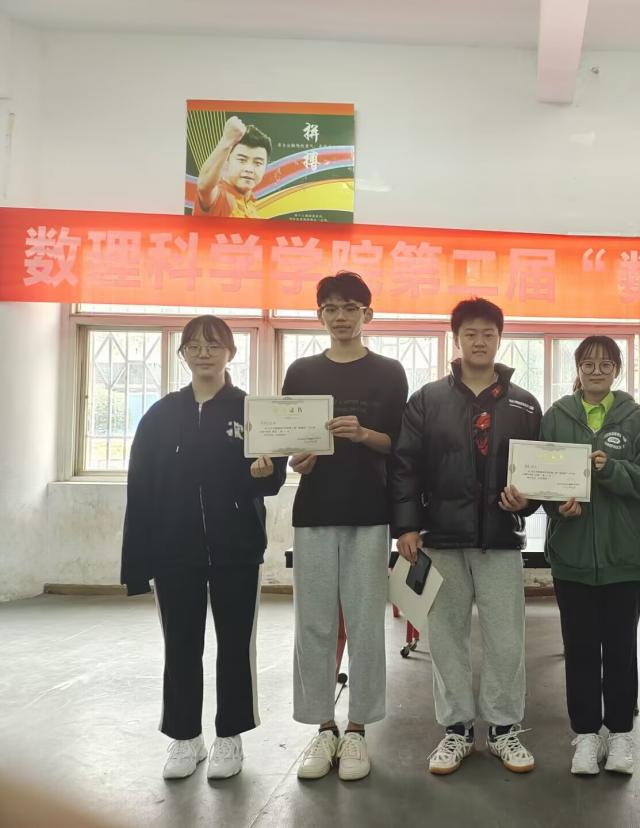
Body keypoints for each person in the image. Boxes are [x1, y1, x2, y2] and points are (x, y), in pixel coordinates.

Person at [121, 315, 287, 780]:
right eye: (193, 346)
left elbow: (273, 476)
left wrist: (263, 475)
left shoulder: (251, 410)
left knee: (235, 645)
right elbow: (141, 487)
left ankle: (230, 736)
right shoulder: (160, 415)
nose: (203, 353)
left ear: (231, 352)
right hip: (174, 552)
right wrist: (138, 560)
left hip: (237, 548)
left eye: (213, 345)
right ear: (182, 355)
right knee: (180, 645)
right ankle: (184, 737)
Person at [391, 297, 542, 776]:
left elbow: (537, 473)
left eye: (488, 334)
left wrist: (526, 502)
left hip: (500, 538)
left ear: (500, 339)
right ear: (456, 339)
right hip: (442, 537)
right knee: (446, 637)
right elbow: (405, 465)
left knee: (506, 638)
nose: (479, 341)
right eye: (470, 334)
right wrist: (406, 526)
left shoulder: (523, 403)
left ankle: (502, 729)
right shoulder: (427, 399)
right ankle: (455, 729)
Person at [283, 271, 408, 782]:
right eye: (331, 308)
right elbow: (289, 443)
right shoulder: (301, 371)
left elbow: (399, 444)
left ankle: (357, 729)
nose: (340, 317)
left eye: (350, 308)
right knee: (313, 623)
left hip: (369, 511)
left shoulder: (389, 372)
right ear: (320, 316)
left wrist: (364, 434)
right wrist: (299, 459)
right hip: (314, 511)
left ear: (367, 314)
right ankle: (323, 727)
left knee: (364, 623)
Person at [538, 337, 640, 776]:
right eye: (588, 364)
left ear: (617, 370)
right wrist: (559, 507)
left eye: (605, 364)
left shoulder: (635, 418)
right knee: (581, 648)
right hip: (571, 555)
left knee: (621, 648)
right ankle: (586, 734)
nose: (596, 371)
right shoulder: (556, 417)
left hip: (624, 555)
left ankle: (621, 733)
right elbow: (541, 478)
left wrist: (612, 469)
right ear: (577, 368)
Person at [192, 116, 272, 218]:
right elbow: (204, 186)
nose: (249, 169)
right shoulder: (221, 197)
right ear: (226, 162)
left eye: (258, 163)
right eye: (242, 160)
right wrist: (227, 141)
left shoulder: (252, 205)